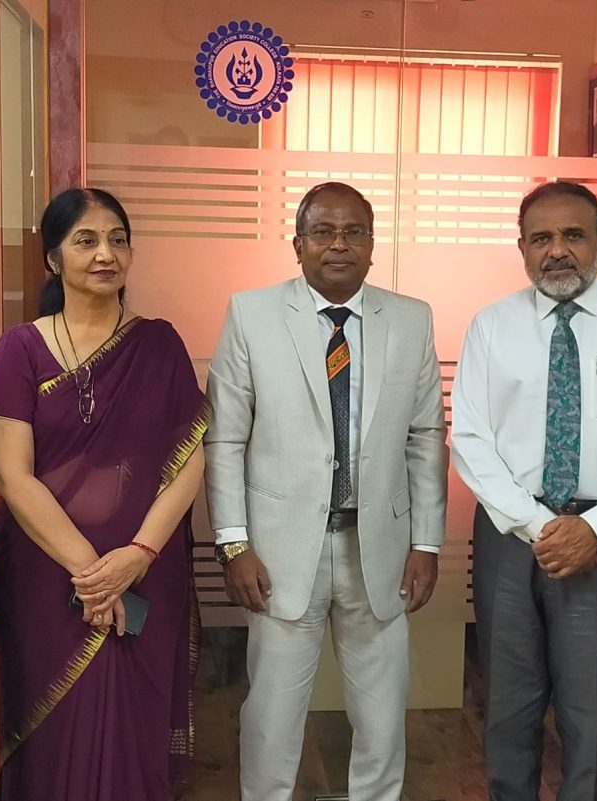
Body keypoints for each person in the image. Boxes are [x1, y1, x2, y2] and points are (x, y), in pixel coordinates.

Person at [204, 181, 448, 801]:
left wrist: (426, 544)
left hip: (379, 546)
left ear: (372, 243)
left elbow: (425, 437)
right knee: (272, 718)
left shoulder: (411, 318)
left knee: (382, 719)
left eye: (353, 232)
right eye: (323, 232)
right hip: (280, 551)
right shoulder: (252, 315)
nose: (339, 244)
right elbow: (224, 440)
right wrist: (233, 545)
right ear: (298, 244)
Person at [451, 181, 597, 801]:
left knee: (593, 710)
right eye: (541, 238)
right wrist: (540, 527)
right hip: (510, 536)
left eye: (574, 235)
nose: (557, 250)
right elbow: (470, 439)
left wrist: (594, 528)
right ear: (522, 248)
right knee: (508, 705)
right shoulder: (492, 326)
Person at [0, 188, 208, 801]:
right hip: (48, 576)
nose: (105, 253)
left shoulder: (159, 345)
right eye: (86, 240)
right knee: (54, 733)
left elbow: (189, 459)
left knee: (133, 726)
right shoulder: (19, 349)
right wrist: (92, 574)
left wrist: (138, 555)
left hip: (144, 572)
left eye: (117, 239)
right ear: (53, 258)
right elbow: (13, 474)